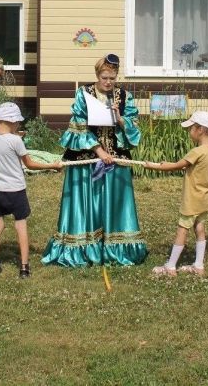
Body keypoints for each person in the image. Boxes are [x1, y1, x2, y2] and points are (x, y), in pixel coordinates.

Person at [41, 54, 147, 268]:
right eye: (104, 77)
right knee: (86, 202)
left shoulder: (124, 97)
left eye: (112, 78)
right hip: (86, 158)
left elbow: (134, 128)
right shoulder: (84, 93)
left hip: (116, 158)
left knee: (114, 203)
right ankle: (84, 246)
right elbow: (78, 124)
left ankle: (114, 247)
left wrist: (120, 119)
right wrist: (99, 151)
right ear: (97, 75)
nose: (108, 82)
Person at [0, 102, 62, 278]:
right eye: (17, 122)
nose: (19, 125)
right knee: (21, 226)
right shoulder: (16, 140)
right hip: (16, 190)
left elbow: (3, 142)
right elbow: (29, 164)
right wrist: (53, 165)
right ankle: (24, 267)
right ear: (12, 121)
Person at [146, 111, 208, 277]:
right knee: (200, 228)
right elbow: (195, 167)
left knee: (182, 230)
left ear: (200, 130)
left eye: (191, 128)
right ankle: (198, 265)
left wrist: (153, 165)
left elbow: (175, 165)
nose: (189, 132)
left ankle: (171, 266)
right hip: (204, 198)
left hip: (192, 199)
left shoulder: (196, 152)